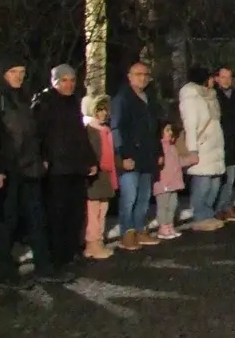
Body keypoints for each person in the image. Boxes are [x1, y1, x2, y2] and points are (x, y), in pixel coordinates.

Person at [0, 64, 65, 286]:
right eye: (13, 72)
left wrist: (41, 156)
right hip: (10, 168)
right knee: (8, 222)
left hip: (30, 167)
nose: (19, 77)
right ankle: (7, 273)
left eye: (22, 72)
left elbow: (33, 132)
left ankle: (44, 267)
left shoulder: (25, 97)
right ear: (3, 74)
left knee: (37, 219)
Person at [32, 64, 96, 270]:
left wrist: (90, 159)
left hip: (75, 166)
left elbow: (80, 134)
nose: (68, 84)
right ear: (54, 82)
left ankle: (71, 252)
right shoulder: (44, 102)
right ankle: (58, 255)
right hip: (56, 168)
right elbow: (38, 134)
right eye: (64, 80)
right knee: (57, 213)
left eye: (71, 80)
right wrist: (43, 158)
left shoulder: (73, 102)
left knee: (75, 212)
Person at [111, 62, 162, 247]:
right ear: (129, 76)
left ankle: (140, 229)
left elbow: (154, 128)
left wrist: (158, 151)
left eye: (145, 74)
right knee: (129, 197)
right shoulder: (122, 99)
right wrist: (122, 154)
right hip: (131, 155)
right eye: (138, 74)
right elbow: (117, 127)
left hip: (147, 155)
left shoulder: (149, 98)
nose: (143, 77)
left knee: (144, 197)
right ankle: (127, 232)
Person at [177, 66, 226, 231]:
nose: (213, 80)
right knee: (203, 183)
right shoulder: (191, 97)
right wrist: (193, 150)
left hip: (215, 146)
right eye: (210, 77)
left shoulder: (210, 96)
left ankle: (208, 213)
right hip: (202, 146)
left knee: (214, 183)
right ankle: (200, 216)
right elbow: (190, 124)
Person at [82, 96, 118, 260]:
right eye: (99, 110)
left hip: (106, 174)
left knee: (102, 210)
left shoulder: (106, 130)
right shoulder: (90, 129)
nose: (103, 113)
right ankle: (92, 242)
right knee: (93, 210)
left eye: (105, 110)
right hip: (94, 174)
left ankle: (98, 240)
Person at [213, 67, 235, 220]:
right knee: (220, 179)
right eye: (223, 77)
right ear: (217, 79)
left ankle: (226, 206)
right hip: (219, 142)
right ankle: (218, 207)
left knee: (231, 177)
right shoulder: (214, 95)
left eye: (229, 77)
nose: (227, 80)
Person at [151, 123, 191, 240]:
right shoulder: (160, 147)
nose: (170, 132)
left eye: (170, 130)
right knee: (163, 206)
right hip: (163, 183)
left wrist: (189, 160)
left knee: (173, 205)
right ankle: (163, 226)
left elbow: (177, 161)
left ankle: (170, 224)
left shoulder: (172, 147)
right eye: (167, 130)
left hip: (174, 182)